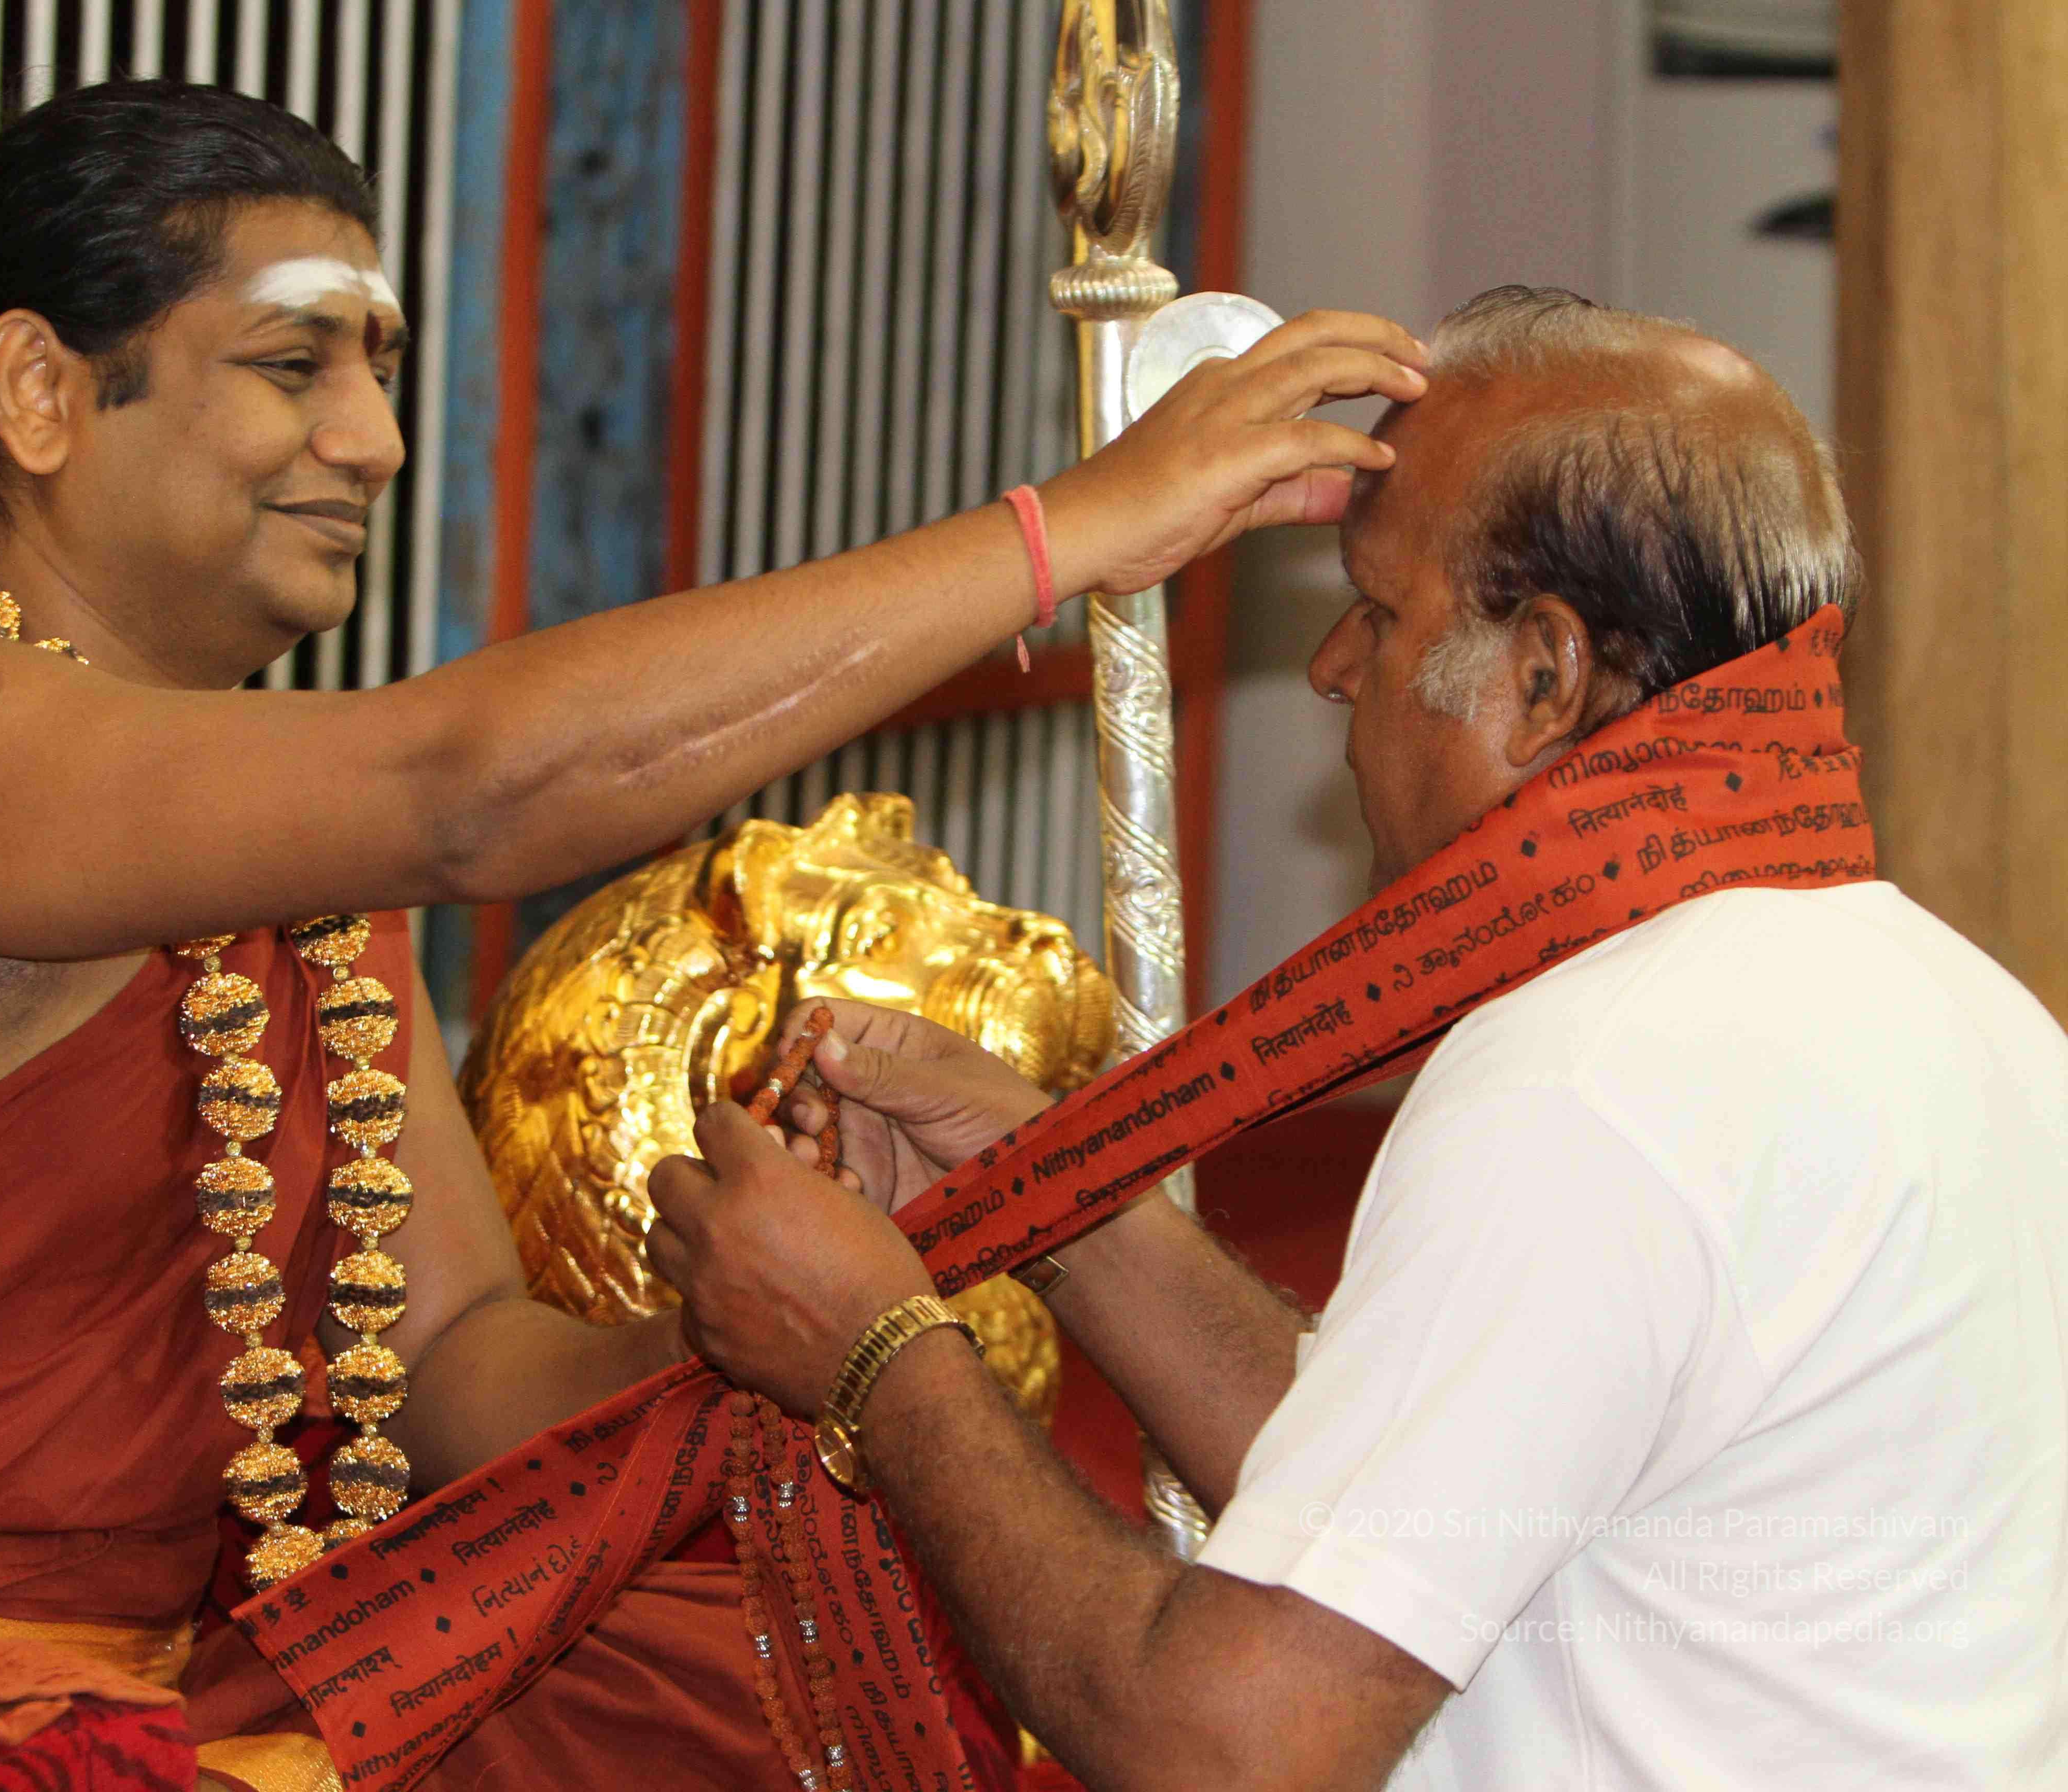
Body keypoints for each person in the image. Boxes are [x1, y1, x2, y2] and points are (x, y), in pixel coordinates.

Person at [0, 79, 1429, 1789]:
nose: (373, 440)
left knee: (783, 1665)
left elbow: (458, 1372)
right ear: (42, 391)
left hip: (152, 1707)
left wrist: (756, 1299)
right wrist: (1077, 529)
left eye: (379, 370)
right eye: (293, 364)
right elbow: (471, 789)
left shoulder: (278, 852)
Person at [651, 286, 2068, 1790]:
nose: (1333, 667)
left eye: (1382, 611)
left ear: (1545, 675)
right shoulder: (1964, 1009)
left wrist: (874, 1353)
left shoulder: (1595, 1072)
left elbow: (1230, 1751)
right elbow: (1418, 1514)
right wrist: (1038, 1180)